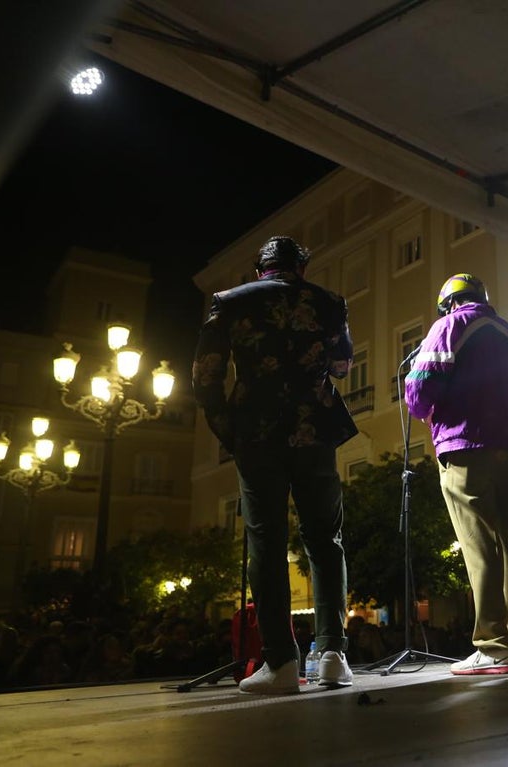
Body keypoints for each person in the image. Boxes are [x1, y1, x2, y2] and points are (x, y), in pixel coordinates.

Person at [193, 235, 357, 694]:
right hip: (314, 429)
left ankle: (281, 662)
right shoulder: (327, 301)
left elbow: (205, 374)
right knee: (325, 539)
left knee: (266, 541)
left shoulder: (229, 302)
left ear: (259, 268)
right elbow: (343, 365)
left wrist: (228, 427)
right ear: (300, 267)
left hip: (256, 432)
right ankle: (331, 654)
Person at [405, 273, 508, 675]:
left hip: (464, 447)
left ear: (448, 303)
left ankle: (493, 645)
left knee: (479, 546)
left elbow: (418, 397)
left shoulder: (448, 326)